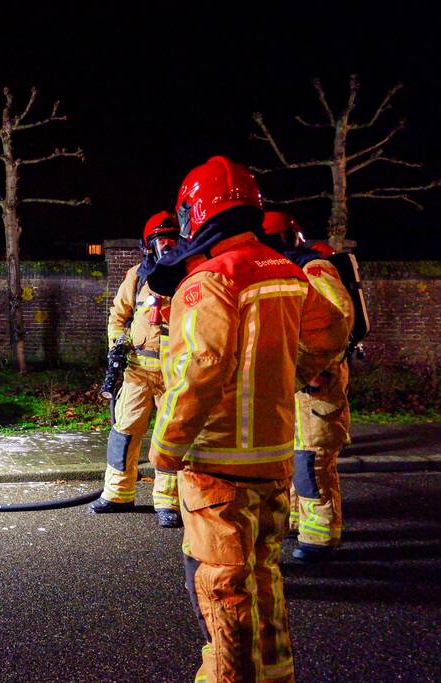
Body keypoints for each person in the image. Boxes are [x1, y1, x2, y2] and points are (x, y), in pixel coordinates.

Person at [144, 157, 349, 683]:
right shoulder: (288, 271)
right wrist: (290, 374)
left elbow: (199, 371)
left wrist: (165, 447)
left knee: (222, 591)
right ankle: (277, 674)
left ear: (198, 212)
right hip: (274, 460)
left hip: (216, 468)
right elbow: (330, 333)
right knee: (263, 580)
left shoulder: (206, 282)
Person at [262, 211, 354, 563]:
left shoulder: (315, 269)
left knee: (312, 460)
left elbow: (339, 323)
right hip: (299, 380)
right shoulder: (290, 272)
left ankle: (320, 537)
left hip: (318, 382)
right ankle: (301, 521)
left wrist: (313, 369)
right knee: (295, 457)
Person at [89, 212, 182, 528]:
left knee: (169, 437)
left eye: (171, 237)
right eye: (160, 239)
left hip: (175, 374)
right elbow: (118, 317)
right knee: (124, 431)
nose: (166, 244)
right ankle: (118, 493)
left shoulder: (191, 275)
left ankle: (168, 502)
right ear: (149, 244)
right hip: (138, 370)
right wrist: (117, 346)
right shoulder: (137, 277)